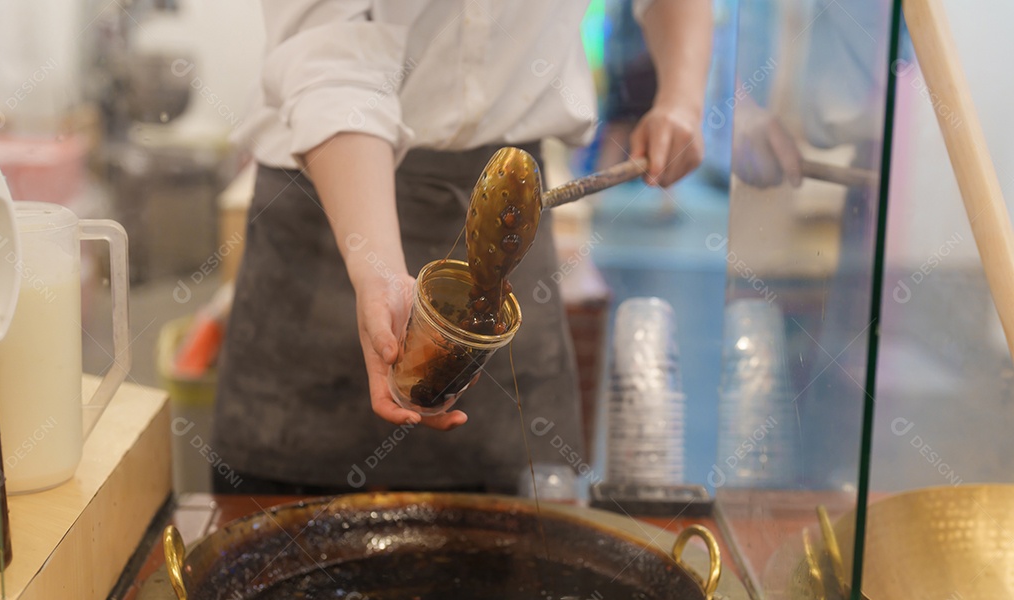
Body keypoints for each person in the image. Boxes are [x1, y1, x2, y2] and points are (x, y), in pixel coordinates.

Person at [212, 0, 712, 494]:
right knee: (285, 535)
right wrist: (378, 267)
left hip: (511, 214)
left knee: (513, 534)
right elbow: (328, 59)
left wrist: (681, 100)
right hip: (333, 200)